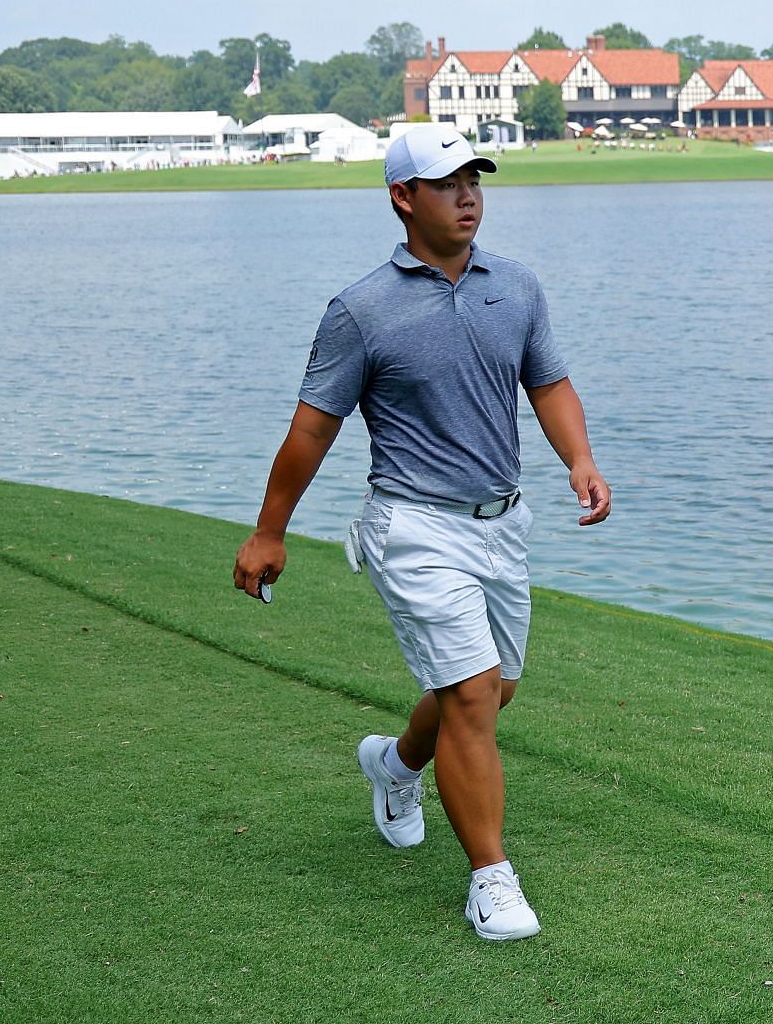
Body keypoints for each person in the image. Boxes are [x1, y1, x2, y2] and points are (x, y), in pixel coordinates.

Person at [231, 126, 611, 941]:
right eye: (447, 182)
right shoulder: (361, 311)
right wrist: (269, 531)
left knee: (492, 688)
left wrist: (578, 457)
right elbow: (310, 432)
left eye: (475, 178)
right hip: (411, 525)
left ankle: (397, 764)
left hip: (501, 522)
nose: (469, 194)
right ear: (404, 197)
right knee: (471, 690)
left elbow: (549, 383)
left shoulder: (516, 285)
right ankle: (491, 880)